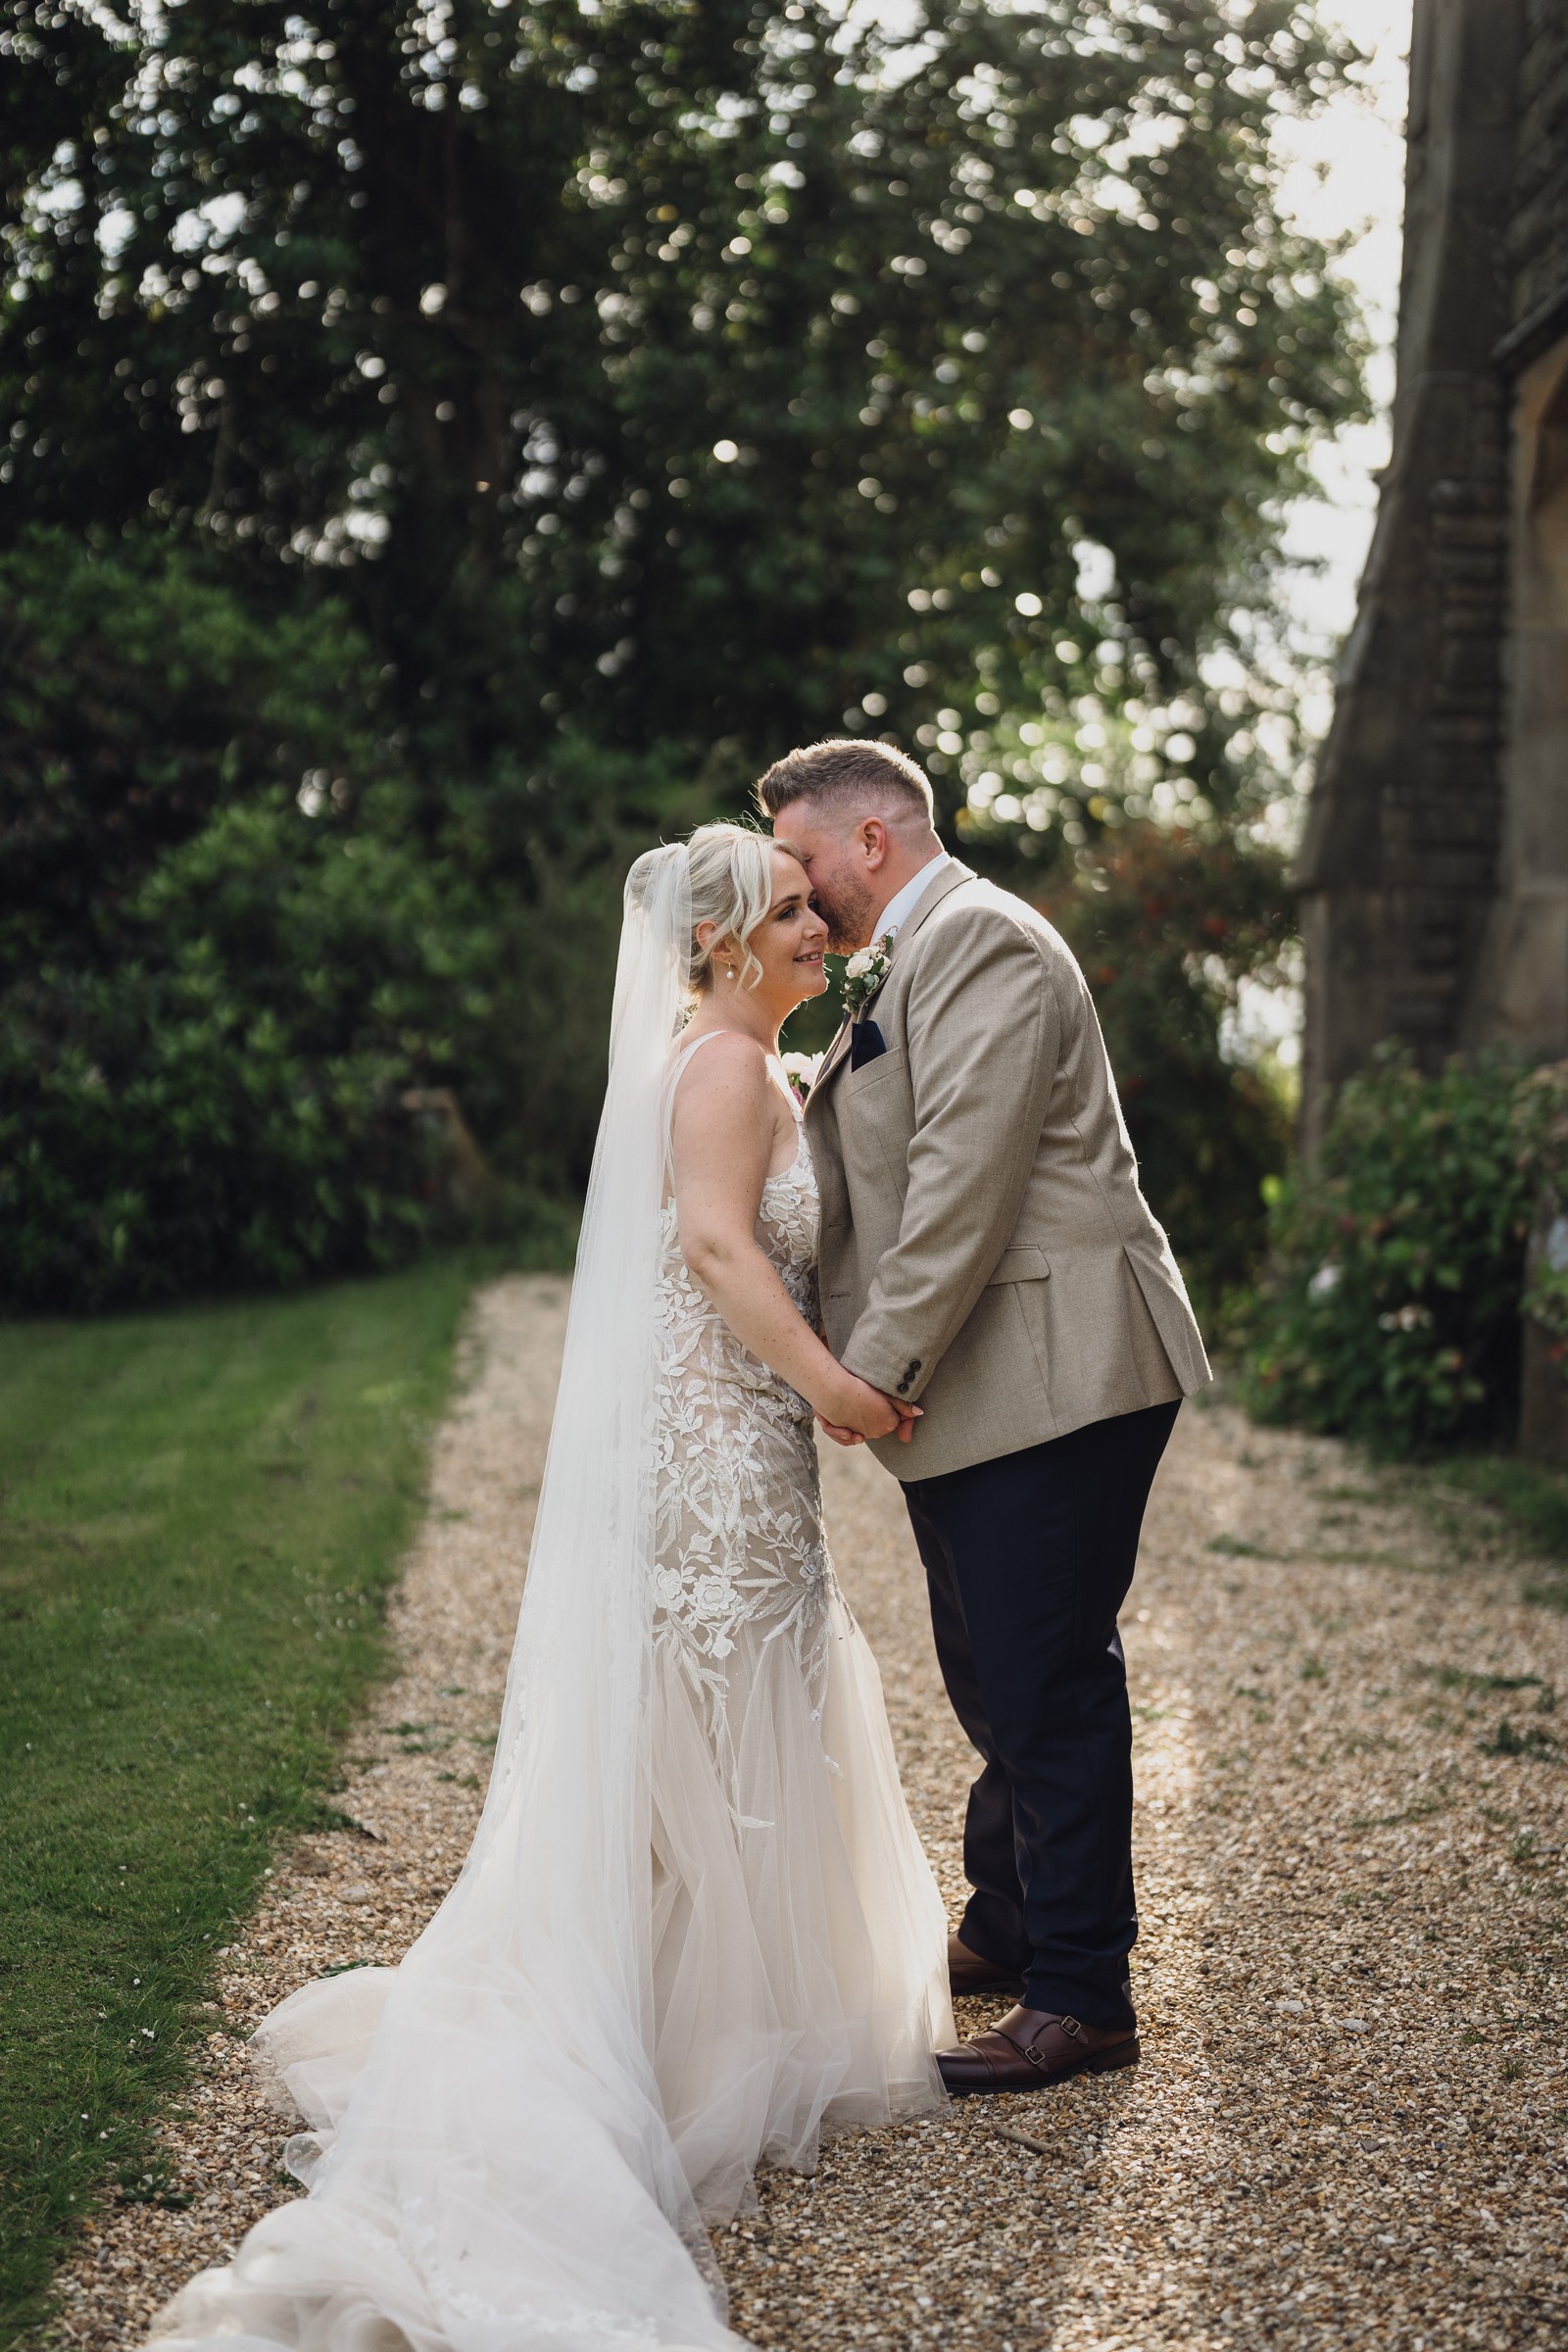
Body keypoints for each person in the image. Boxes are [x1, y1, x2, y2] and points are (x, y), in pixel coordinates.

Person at [151, 825, 952, 2352]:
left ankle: (702, 2006)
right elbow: (719, 1250)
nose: (817, 928)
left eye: (811, 908)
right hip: (718, 1453)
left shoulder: (752, 1069)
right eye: (788, 913)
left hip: (740, 1443)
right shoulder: (719, 1070)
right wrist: (838, 1390)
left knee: (731, 1714)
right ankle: (674, 2037)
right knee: (714, 1717)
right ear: (715, 945)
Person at [759, 738, 1211, 2095]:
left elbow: (964, 1178)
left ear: (874, 842)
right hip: (990, 1375)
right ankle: (1012, 1921)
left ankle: (1083, 1995)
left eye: (803, 856)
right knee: (991, 1666)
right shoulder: (908, 951)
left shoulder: (985, 943)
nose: (795, 881)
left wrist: (871, 1369)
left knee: (1047, 1679)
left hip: (1053, 1369)